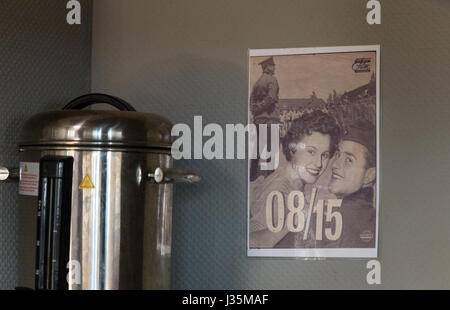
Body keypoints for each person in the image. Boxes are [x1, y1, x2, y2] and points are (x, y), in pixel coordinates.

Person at [249, 110, 341, 248]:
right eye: (311, 152)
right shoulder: (279, 193)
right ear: (292, 149)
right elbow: (251, 241)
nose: (319, 164)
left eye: (325, 155)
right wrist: (298, 216)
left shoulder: (289, 181)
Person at [326, 120, 377, 248]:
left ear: (369, 175)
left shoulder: (348, 219)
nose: (335, 165)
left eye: (349, 160)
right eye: (337, 155)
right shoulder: (365, 214)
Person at [249, 56, 280, 181]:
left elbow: (251, 100)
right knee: (271, 150)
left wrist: (255, 110)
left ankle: (252, 176)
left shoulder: (257, 82)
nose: (274, 68)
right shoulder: (272, 79)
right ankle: (271, 178)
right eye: (272, 66)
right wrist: (261, 108)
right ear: (267, 67)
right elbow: (271, 98)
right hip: (270, 120)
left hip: (258, 120)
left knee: (256, 149)